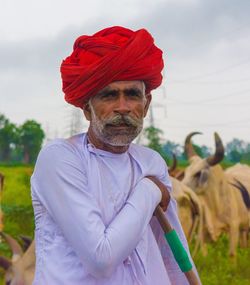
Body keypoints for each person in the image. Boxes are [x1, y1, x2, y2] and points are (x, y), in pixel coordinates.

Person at [31, 26, 199, 285]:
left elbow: (171, 249)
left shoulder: (151, 162)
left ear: (146, 104)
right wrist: (149, 191)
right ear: (87, 109)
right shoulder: (60, 159)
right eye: (109, 95)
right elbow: (101, 259)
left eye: (132, 94)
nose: (122, 107)